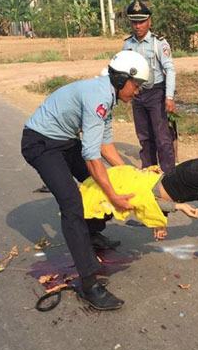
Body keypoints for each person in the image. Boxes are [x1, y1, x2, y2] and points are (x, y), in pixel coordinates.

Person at [20, 50, 150, 311]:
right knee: (72, 204)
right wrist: (113, 196)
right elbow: (92, 156)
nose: (137, 92)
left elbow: (105, 145)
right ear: (121, 79)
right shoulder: (98, 97)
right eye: (136, 85)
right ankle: (89, 283)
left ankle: (90, 233)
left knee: (108, 182)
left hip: (65, 141)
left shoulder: (108, 97)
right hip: (40, 143)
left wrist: (129, 175)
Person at [123, 0, 177, 173]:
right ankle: (149, 171)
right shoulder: (128, 44)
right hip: (137, 94)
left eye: (141, 22)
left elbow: (170, 69)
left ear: (149, 21)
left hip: (156, 93)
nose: (137, 26)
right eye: (134, 22)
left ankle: (169, 175)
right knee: (144, 136)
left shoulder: (158, 43)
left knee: (162, 137)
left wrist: (169, 97)